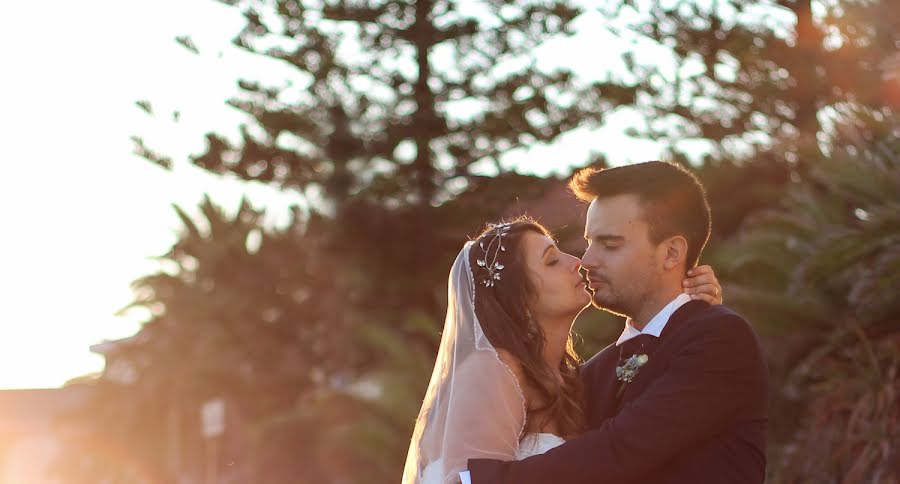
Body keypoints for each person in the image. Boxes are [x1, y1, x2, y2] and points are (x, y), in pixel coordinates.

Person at [465, 161, 769, 484]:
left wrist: (477, 481)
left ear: (671, 254)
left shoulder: (721, 340)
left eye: (610, 245)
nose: (587, 260)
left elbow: (620, 449)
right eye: (589, 242)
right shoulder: (590, 374)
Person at [402, 209, 723, 482]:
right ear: (519, 297)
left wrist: (682, 306)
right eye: (552, 261)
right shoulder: (492, 369)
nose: (578, 262)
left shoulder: (569, 380)